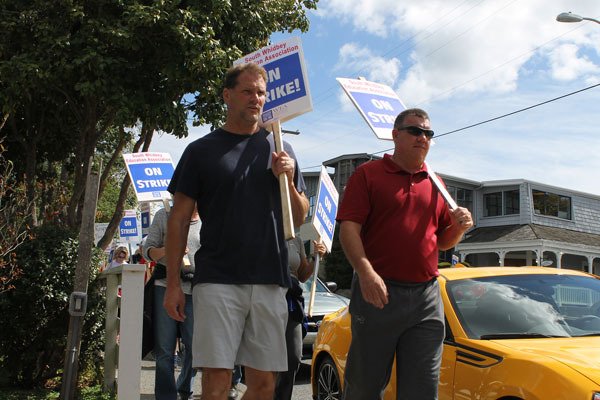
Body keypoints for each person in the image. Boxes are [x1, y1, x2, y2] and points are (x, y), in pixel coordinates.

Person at [164, 62, 309, 400]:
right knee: (217, 383)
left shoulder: (281, 149)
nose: (255, 99)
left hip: (270, 279)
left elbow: (299, 218)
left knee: (263, 386)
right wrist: (173, 283)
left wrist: (286, 179)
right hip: (217, 279)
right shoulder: (200, 151)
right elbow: (179, 220)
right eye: (247, 91)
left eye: (260, 92)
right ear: (227, 96)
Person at [336, 108, 473, 400]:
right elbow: (349, 229)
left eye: (428, 133)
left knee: (423, 389)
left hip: (426, 298)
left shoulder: (436, 183)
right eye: (415, 131)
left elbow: (442, 242)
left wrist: (459, 229)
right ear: (395, 135)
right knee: (364, 386)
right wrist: (365, 273)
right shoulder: (368, 175)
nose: (423, 138)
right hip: (378, 292)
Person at [144, 206, 201, 400]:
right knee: (165, 349)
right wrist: (168, 249)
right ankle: (166, 396)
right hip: (165, 287)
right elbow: (147, 250)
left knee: (195, 347)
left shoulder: (209, 217)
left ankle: (184, 387)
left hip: (196, 291)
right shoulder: (164, 215)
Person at [274, 236, 327, 400]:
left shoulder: (296, 240)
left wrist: (315, 257)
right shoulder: (263, 226)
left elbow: (303, 275)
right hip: (268, 296)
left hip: (292, 302)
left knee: (293, 357)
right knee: (267, 360)